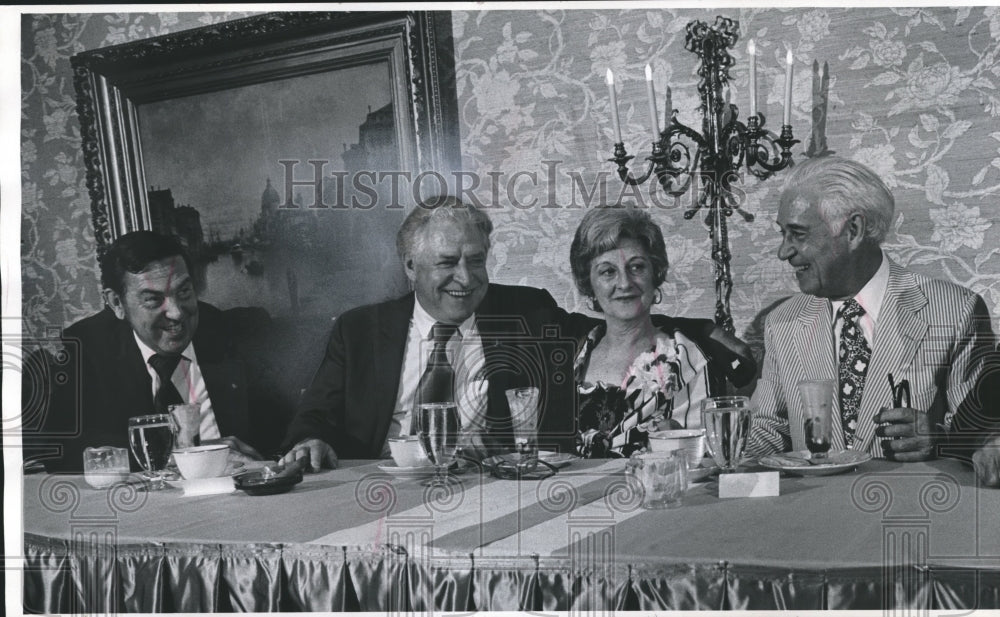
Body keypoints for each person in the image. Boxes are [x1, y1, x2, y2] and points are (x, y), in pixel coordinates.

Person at [279, 196, 588, 470]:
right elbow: (314, 418)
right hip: (381, 489)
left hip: (488, 489)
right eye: (447, 263)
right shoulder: (359, 331)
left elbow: (611, 333)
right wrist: (311, 441)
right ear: (411, 266)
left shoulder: (529, 313)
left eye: (476, 261)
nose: (466, 278)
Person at [746, 156, 1000, 485]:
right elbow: (767, 430)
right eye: (784, 234)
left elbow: (985, 439)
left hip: (911, 515)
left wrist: (938, 439)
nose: (783, 252)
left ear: (853, 230)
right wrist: (721, 458)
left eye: (798, 234)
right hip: (809, 522)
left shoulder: (955, 311)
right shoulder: (782, 322)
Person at [23, 231, 288, 472]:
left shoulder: (243, 334)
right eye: (153, 300)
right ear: (117, 303)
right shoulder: (83, 352)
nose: (176, 313)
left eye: (184, 292)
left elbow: (290, 428)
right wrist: (187, 456)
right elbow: (61, 453)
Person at [569, 207, 755, 458]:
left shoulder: (688, 360)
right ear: (588, 283)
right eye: (608, 271)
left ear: (655, 274)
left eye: (636, 267)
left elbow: (704, 462)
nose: (624, 283)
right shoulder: (571, 356)